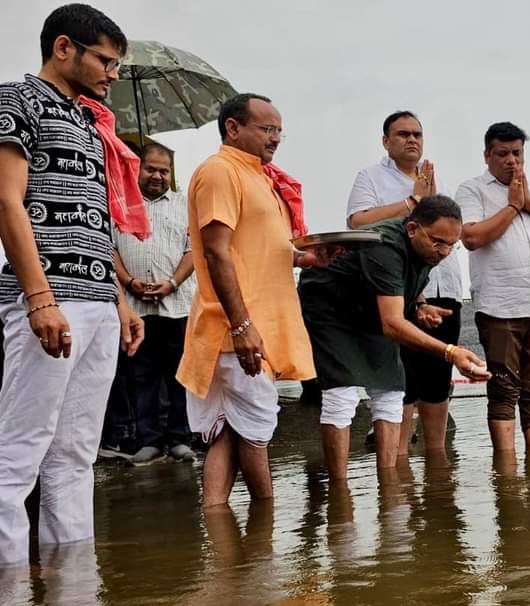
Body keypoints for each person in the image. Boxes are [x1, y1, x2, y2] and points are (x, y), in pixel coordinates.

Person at [0, 3, 144, 566]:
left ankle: (73, 588)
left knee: (76, 455)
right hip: (47, 299)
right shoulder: (16, 98)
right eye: (105, 61)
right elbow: (7, 200)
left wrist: (119, 299)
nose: (112, 73)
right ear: (65, 48)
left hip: (97, 304)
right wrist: (39, 299)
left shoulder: (89, 123)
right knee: (18, 453)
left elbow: (94, 218)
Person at [177, 93, 316, 508]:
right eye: (266, 128)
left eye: (278, 131)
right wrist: (241, 325)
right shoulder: (221, 171)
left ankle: (220, 537)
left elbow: (258, 247)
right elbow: (217, 250)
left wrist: (305, 257)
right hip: (236, 329)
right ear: (233, 128)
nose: (275, 138)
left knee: (229, 434)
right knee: (257, 436)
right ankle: (264, 537)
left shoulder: (262, 177)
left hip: (250, 327)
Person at [299, 196, 490, 478]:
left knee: (391, 390)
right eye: (438, 242)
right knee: (342, 392)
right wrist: (451, 352)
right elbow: (392, 324)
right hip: (330, 307)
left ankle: (389, 486)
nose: (445, 251)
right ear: (412, 228)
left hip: (371, 307)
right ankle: (339, 493)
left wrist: (419, 304)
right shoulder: (384, 245)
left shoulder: (429, 247)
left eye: (452, 244)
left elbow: (403, 282)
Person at [345, 110, 465, 456]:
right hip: (399, 292)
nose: (411, 140)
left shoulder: (434, 174)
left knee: (438, 377)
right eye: (402, 134)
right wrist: (411, 203)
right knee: (404, 378)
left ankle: (438, 461)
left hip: (445, 288)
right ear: (386, 141)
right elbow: (357, 222)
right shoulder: (370, 177)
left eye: (417, 134)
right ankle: (396, 463)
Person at [457, 122, 530, 459]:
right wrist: (512, 207)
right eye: (503, 154)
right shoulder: (472, 190)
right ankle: (507, 473)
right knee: (504, 390)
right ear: (488, 155)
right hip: (500, 307)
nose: (512, 161)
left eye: (517, 154)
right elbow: (472, 238)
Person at [102, 142, 197, 464]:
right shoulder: (119, 205)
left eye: (164, 170)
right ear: (137, 169)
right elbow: (110, 248)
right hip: (134, 306)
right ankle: (150, 441)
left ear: (171, 174)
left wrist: (171, 283)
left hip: (178, 303)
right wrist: (129, 281)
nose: (157, 175)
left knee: (178, 374)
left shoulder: (185, 205)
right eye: (151, 169)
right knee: (141, 375)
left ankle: (180, 439)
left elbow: (192, 250)